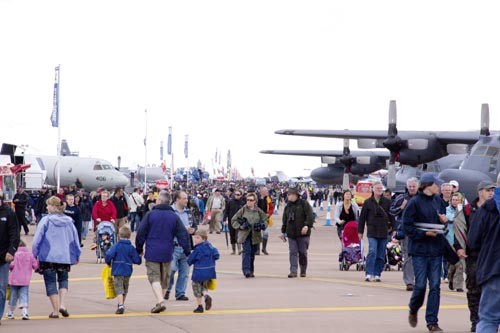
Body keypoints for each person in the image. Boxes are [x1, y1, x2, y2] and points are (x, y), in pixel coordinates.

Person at [403, 173, 447, 332]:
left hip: (436, 250)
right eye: (437, 184)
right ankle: (413, 308)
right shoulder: (414, 203)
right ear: (428, 185)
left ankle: (432, 322)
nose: (439, 187)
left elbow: (443, 224)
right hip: (420, 251)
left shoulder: (438, 201)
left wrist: (444, 221)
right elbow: (406, 227)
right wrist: (423, 234)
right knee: (420, 285)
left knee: (435, 286)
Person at [135, 191, 191, 314]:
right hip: (167, 252)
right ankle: (160, 300)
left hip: (152, 251)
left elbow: (141, 233)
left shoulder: (150, 215)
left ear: (159, 201)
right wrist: (188, 251)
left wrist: (138, 249)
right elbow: (183, 235)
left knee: (154, 277)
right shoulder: (174, 216)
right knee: (164, 279)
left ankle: (160, 301)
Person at [454, 180, 495, 332]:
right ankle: (476, 321)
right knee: (473, 290)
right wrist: (459, 248)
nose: (491, 192)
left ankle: (488, 321)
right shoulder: (468, 210)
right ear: (479, 192)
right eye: (487, 190)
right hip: (474, 256)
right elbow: (459, 229)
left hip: (492, 256)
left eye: (493, 190)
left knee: (491, 290)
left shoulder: (495, 209)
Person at [32, 196, 81, 319]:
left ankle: (55, 310)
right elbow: (75, 240)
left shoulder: (46, 220)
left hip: (48, 256)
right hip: (64, 256)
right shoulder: (69, 222)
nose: (47, 207)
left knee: (50, 282)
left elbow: (37, 239)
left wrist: (35, 253)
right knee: (63, 279)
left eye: (48, 205)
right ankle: (62, 304)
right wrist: (77, 254)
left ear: (53, 206)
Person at [467, 176, 500, 333]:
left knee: (488, 318)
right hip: (492, 267)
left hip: (493, 268)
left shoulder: (487, 209)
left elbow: (473, 241)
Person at [358, 181, 394, 282]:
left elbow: (392, 217)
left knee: (381, 254)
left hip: (383, 231)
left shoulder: (387, 202)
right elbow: (362, 218)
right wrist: (360, 231)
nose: (379, 190)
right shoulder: (368, 202)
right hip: (372, 231)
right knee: (372, 251)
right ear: (373, 189)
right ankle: (369, 273)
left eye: (380, 188)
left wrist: (394, 229)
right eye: (377, 188)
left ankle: (377, 273)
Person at [166, 191, 197, 301]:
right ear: (177, 199)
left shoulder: (188, 212)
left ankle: (180, 293)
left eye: (187, 198)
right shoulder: (170, 211)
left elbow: (194, 225)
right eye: (184, 198)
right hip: (173, 245)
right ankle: (167, 289)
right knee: (172, 269)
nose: (186, 201)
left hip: (186, 246)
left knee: (184, 272)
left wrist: (193, 230)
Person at [105, 226, 142, 315]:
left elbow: (109, 255)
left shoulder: (116, 246)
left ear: (118, 236)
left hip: (117, 270)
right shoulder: (131, 248)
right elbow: (137, 260)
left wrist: (108, 262)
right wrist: (140, 256)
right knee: (125, 289)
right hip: (127, 271)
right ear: (129, 236)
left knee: (118, 288)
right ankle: (121, 304)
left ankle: (120, 305)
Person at [390, 177, 419, 291]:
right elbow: (392, 211)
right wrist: (401, 207)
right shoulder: (401, 198)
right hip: (406, 232)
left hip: (419, 232)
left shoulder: (422, 199)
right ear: (407, 187)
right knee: (408, 256)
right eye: (410, 186)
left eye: (414, 186)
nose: (412, 188)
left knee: (419, 256)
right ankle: (409, 281)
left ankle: (419, 279)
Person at [231, 192, 268, 278]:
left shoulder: (258, 211)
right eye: (247, 200)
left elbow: (265, 219)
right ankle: (246, 270)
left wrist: (262, 225)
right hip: (245, 234)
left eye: (251, 200)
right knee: (246, 252)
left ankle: (251, 270)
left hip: (255, 235)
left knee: (252, 253)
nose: (249, 202)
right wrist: (240, 226)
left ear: (255, 201)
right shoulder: (243, 210)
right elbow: (233, 220)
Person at [281, 187, 314, 278]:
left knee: (303, 252)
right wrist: (283, 232)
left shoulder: (304, 204)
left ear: (295, 195)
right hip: (291, 234)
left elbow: (310, 216)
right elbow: (285, 220)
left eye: (289, 194)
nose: (288, 196)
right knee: (293, 252)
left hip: (303, 234)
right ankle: (293, 271)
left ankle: (303, 270)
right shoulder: (288, 206)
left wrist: (307, 225)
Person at [188, 229, 220, 313]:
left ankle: (200, 306)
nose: (195, 240)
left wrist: (189, 260)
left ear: (204, 239)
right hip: (209, 271)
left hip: (198, 272)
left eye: (198, 238)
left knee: (196, 288)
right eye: (195, 238)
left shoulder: (197, 249)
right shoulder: (211, 247)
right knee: (204, 287)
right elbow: (217, 255)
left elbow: (190, 260)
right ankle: (206, 296)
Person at [5, 240, 39, 320]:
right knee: (24, 295)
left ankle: (10, 312)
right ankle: (25, 312)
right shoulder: (30, 255)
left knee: (13, 295)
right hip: (25, 280)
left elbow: (11, 266)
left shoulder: (15, 255)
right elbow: (35, 265)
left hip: (14, 280)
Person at [0, 192, 19, 325]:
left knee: (1, 288)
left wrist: (11, 251)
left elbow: (15, 234)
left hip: (3, 257)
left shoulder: (8, 213)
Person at [445, 193, 464, 292]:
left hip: (460, 240)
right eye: (453, 200)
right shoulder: (447, 210)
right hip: (450, 239)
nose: (455, 202)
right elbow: (451, 219)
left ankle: (459, 285)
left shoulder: (463, 211)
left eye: (457, 200)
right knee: (453, 263)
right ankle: (451, 277)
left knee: (460, 263)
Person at [224, 189, 245, 255]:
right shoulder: (230, 202)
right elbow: (226, 211)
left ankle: (239, 249)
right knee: (232, 235)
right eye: (236, 194)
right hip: (231, 221)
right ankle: (233, 250)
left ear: (241, 195)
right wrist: (224, 219)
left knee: (238, 235)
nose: (237, 196)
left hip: (239, 222)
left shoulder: (242, 203)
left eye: (238, 195)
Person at [257, 186, 275, 255]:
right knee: (258, 234)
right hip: (258, 219)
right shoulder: (257, 199)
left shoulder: (268, 199)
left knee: (265, 234)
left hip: (266, 219)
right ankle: (257, 250)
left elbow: (271, 208)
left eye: (267, 191)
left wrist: (269, 214)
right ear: (261, 192)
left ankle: (264, 248)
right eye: (265, 191)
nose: (267, 192)